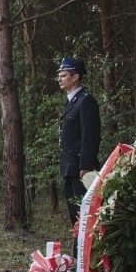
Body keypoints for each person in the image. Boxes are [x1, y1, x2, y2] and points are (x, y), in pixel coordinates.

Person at [58, 57, 101, 254]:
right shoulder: (71, 102)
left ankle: (85, 257)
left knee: (84, 215)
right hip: (69, 167)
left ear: (75, 77)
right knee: (75, 215)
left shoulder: (85, 101)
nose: (60, 79)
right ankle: (78, 256)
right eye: (60, 75)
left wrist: (86, 166)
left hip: (80, 169)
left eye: (64, 75)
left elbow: (90, 136)